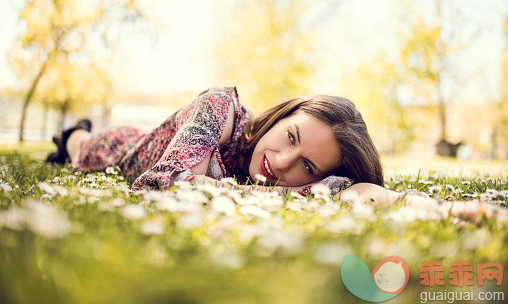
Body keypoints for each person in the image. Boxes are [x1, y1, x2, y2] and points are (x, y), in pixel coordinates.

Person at [46, 86, 505, 223]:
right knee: (79, 146)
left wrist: (445, 209)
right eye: (290, 137)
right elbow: (162, 182)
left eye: (307, 166)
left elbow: (364, 192)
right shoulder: (221, 107)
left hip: (169, 148)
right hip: (122, 147)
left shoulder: (298, 184)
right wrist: (202, 179)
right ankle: (73, 132)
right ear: (284, 115)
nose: (281, 164)